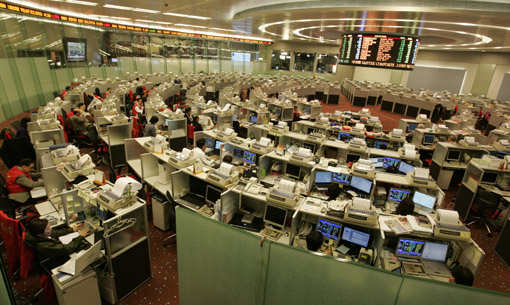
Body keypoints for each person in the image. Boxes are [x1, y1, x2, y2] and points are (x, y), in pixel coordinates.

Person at [25, 218, 92, 263]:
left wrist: (72, 229)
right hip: (56, 260)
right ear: (40, 234)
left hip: (57, 251)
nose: (50, 229)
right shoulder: (44, 246)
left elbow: (55, 233)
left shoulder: (35, 233)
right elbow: (67, 248)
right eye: (48, 228)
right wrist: (81, 236)